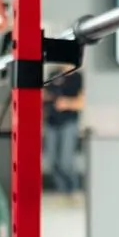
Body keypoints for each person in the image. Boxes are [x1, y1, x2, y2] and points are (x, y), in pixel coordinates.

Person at [43, 68, 84, 196]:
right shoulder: (54, 74)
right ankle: (61, 190)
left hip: (68, 123)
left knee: (65, 162)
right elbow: (46, 94)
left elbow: (81, 102)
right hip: (51, 123)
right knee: (52, 162)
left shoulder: (77, 78)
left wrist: (66, 103)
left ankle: (73, 190)